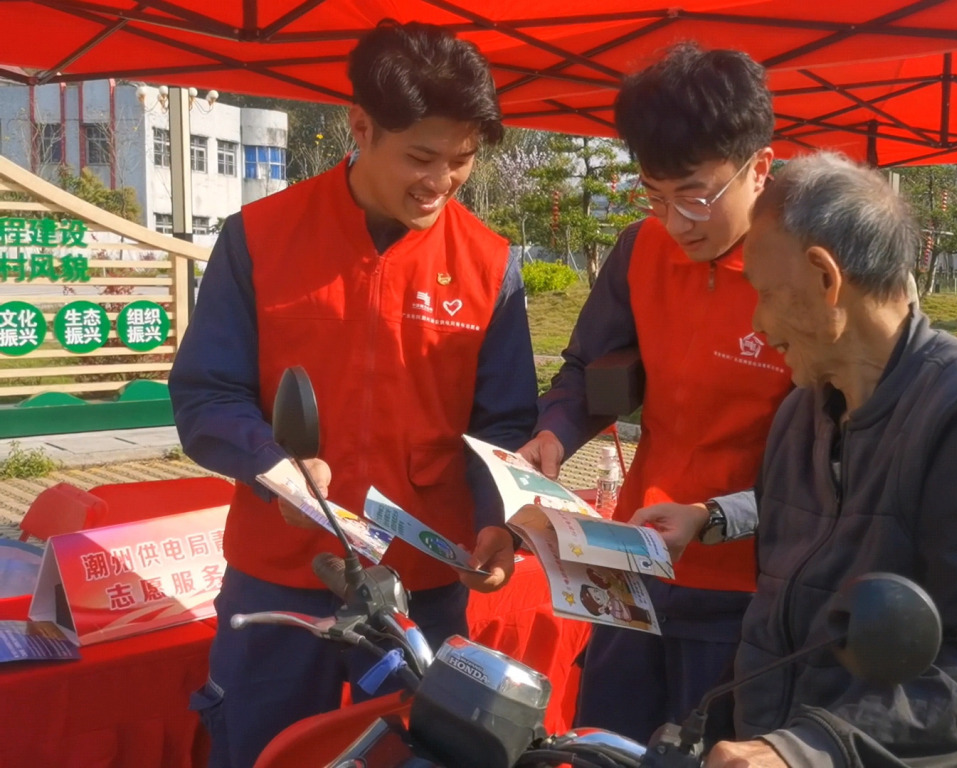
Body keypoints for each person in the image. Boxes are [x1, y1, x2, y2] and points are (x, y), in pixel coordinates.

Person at [168, 22, 536, 768]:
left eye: (462, 160)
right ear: (360, 126)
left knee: (419, 754)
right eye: (421, 158)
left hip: (423, 586)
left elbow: (504, 424)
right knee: (261, 750)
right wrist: (272, 465)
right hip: (280, 575)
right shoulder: (260, 237)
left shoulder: (489, 265)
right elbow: (207, 395)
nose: (441, 182)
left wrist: (500, 524)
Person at [633, 152, 957, 768]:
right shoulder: (800, 414)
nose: (758, 323)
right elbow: (774, 620)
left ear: (824, 277)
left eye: (766, 294)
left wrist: (807, 748)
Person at [518, 43, 793, 743]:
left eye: (697, 196)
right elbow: (588, 370)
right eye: (655, 196)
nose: (678, 223)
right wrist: (553, 434)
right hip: (632, 564)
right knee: (603, 743)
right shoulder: (640, 250)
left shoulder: (801, 274)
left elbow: (832, 467)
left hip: (749, 590)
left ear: (761, 166)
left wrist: (716, 516)